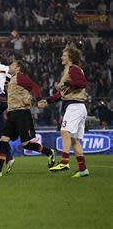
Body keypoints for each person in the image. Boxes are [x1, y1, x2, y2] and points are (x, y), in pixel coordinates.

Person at [0, 60, 56, 177]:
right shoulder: (13, 79)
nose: (9, 66)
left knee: (26, 144)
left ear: (18, 68)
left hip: (23, 114)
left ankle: (49, 152)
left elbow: (34, 86)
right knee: (3, 140)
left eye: (12, 65)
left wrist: (38, 99)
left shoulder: (20, 77)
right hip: (12, 115)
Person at [38, 43, 89, 178]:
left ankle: (65, 161)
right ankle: (83, 169)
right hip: (79, 106)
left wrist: (67, 83)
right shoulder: (68, 71)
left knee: (64, 131)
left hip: (75, 106)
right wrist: (47, 101)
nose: (62, 57)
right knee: (74, 141)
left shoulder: (73, 69)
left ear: (70, 57)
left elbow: (83, 83)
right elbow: (62, 94)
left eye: (64, 55)